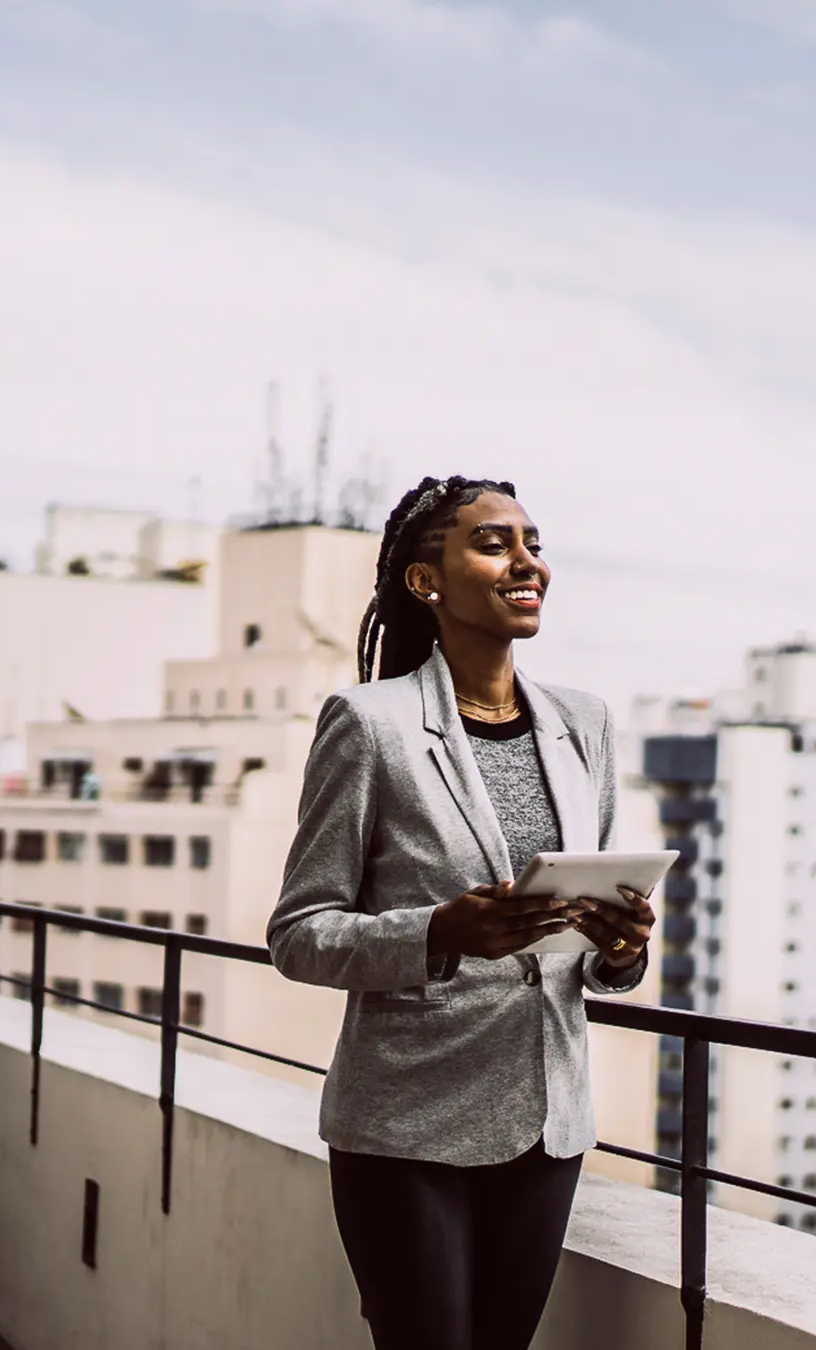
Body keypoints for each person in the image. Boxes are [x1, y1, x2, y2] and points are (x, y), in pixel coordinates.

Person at [267, 475, 654, 1350]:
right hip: (407, 1122)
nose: (528, 563)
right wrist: (439, 932)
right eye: (494, 543)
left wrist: (620, 949)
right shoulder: (371, 725)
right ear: (425, 581)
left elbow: (582, 935)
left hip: (548, 1123)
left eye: (534, 543)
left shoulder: (583, 724)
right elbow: (298, 932)